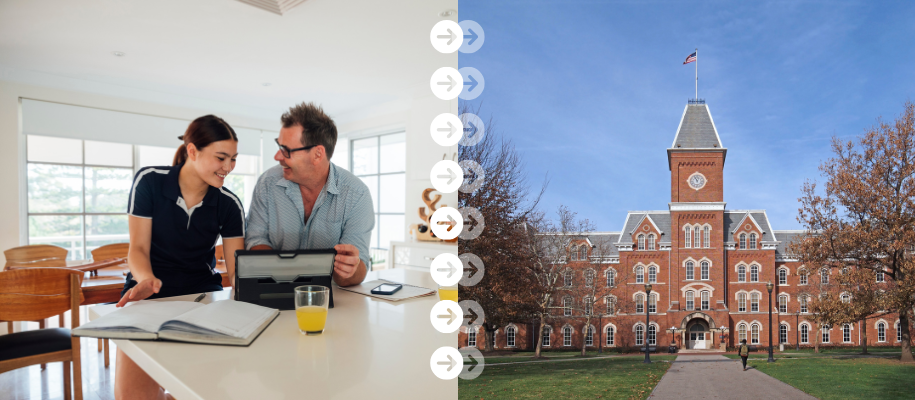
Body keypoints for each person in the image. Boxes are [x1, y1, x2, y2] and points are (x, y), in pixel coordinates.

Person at [114, 115, 247, 400]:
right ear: (192, 151)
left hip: (203, 299)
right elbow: (137, 248)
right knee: (132, 396)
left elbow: (238, 272)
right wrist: (147, 280)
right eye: (221, 158)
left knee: (197, 391)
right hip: (147, 293)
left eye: (233, 159)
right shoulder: (149, 181)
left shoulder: (229, 204)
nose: (228, 168)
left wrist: (248, 298)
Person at [246, 102, 372, 286]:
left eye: (286, 150)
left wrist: (349, 269)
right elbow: (255, 239)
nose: (277, 157)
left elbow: (358, 271)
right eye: (279, 146)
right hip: (273, 289)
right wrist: (283, 273)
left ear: (317, 154)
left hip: (329, 299)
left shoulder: (356, 194)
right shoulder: (267, 183)